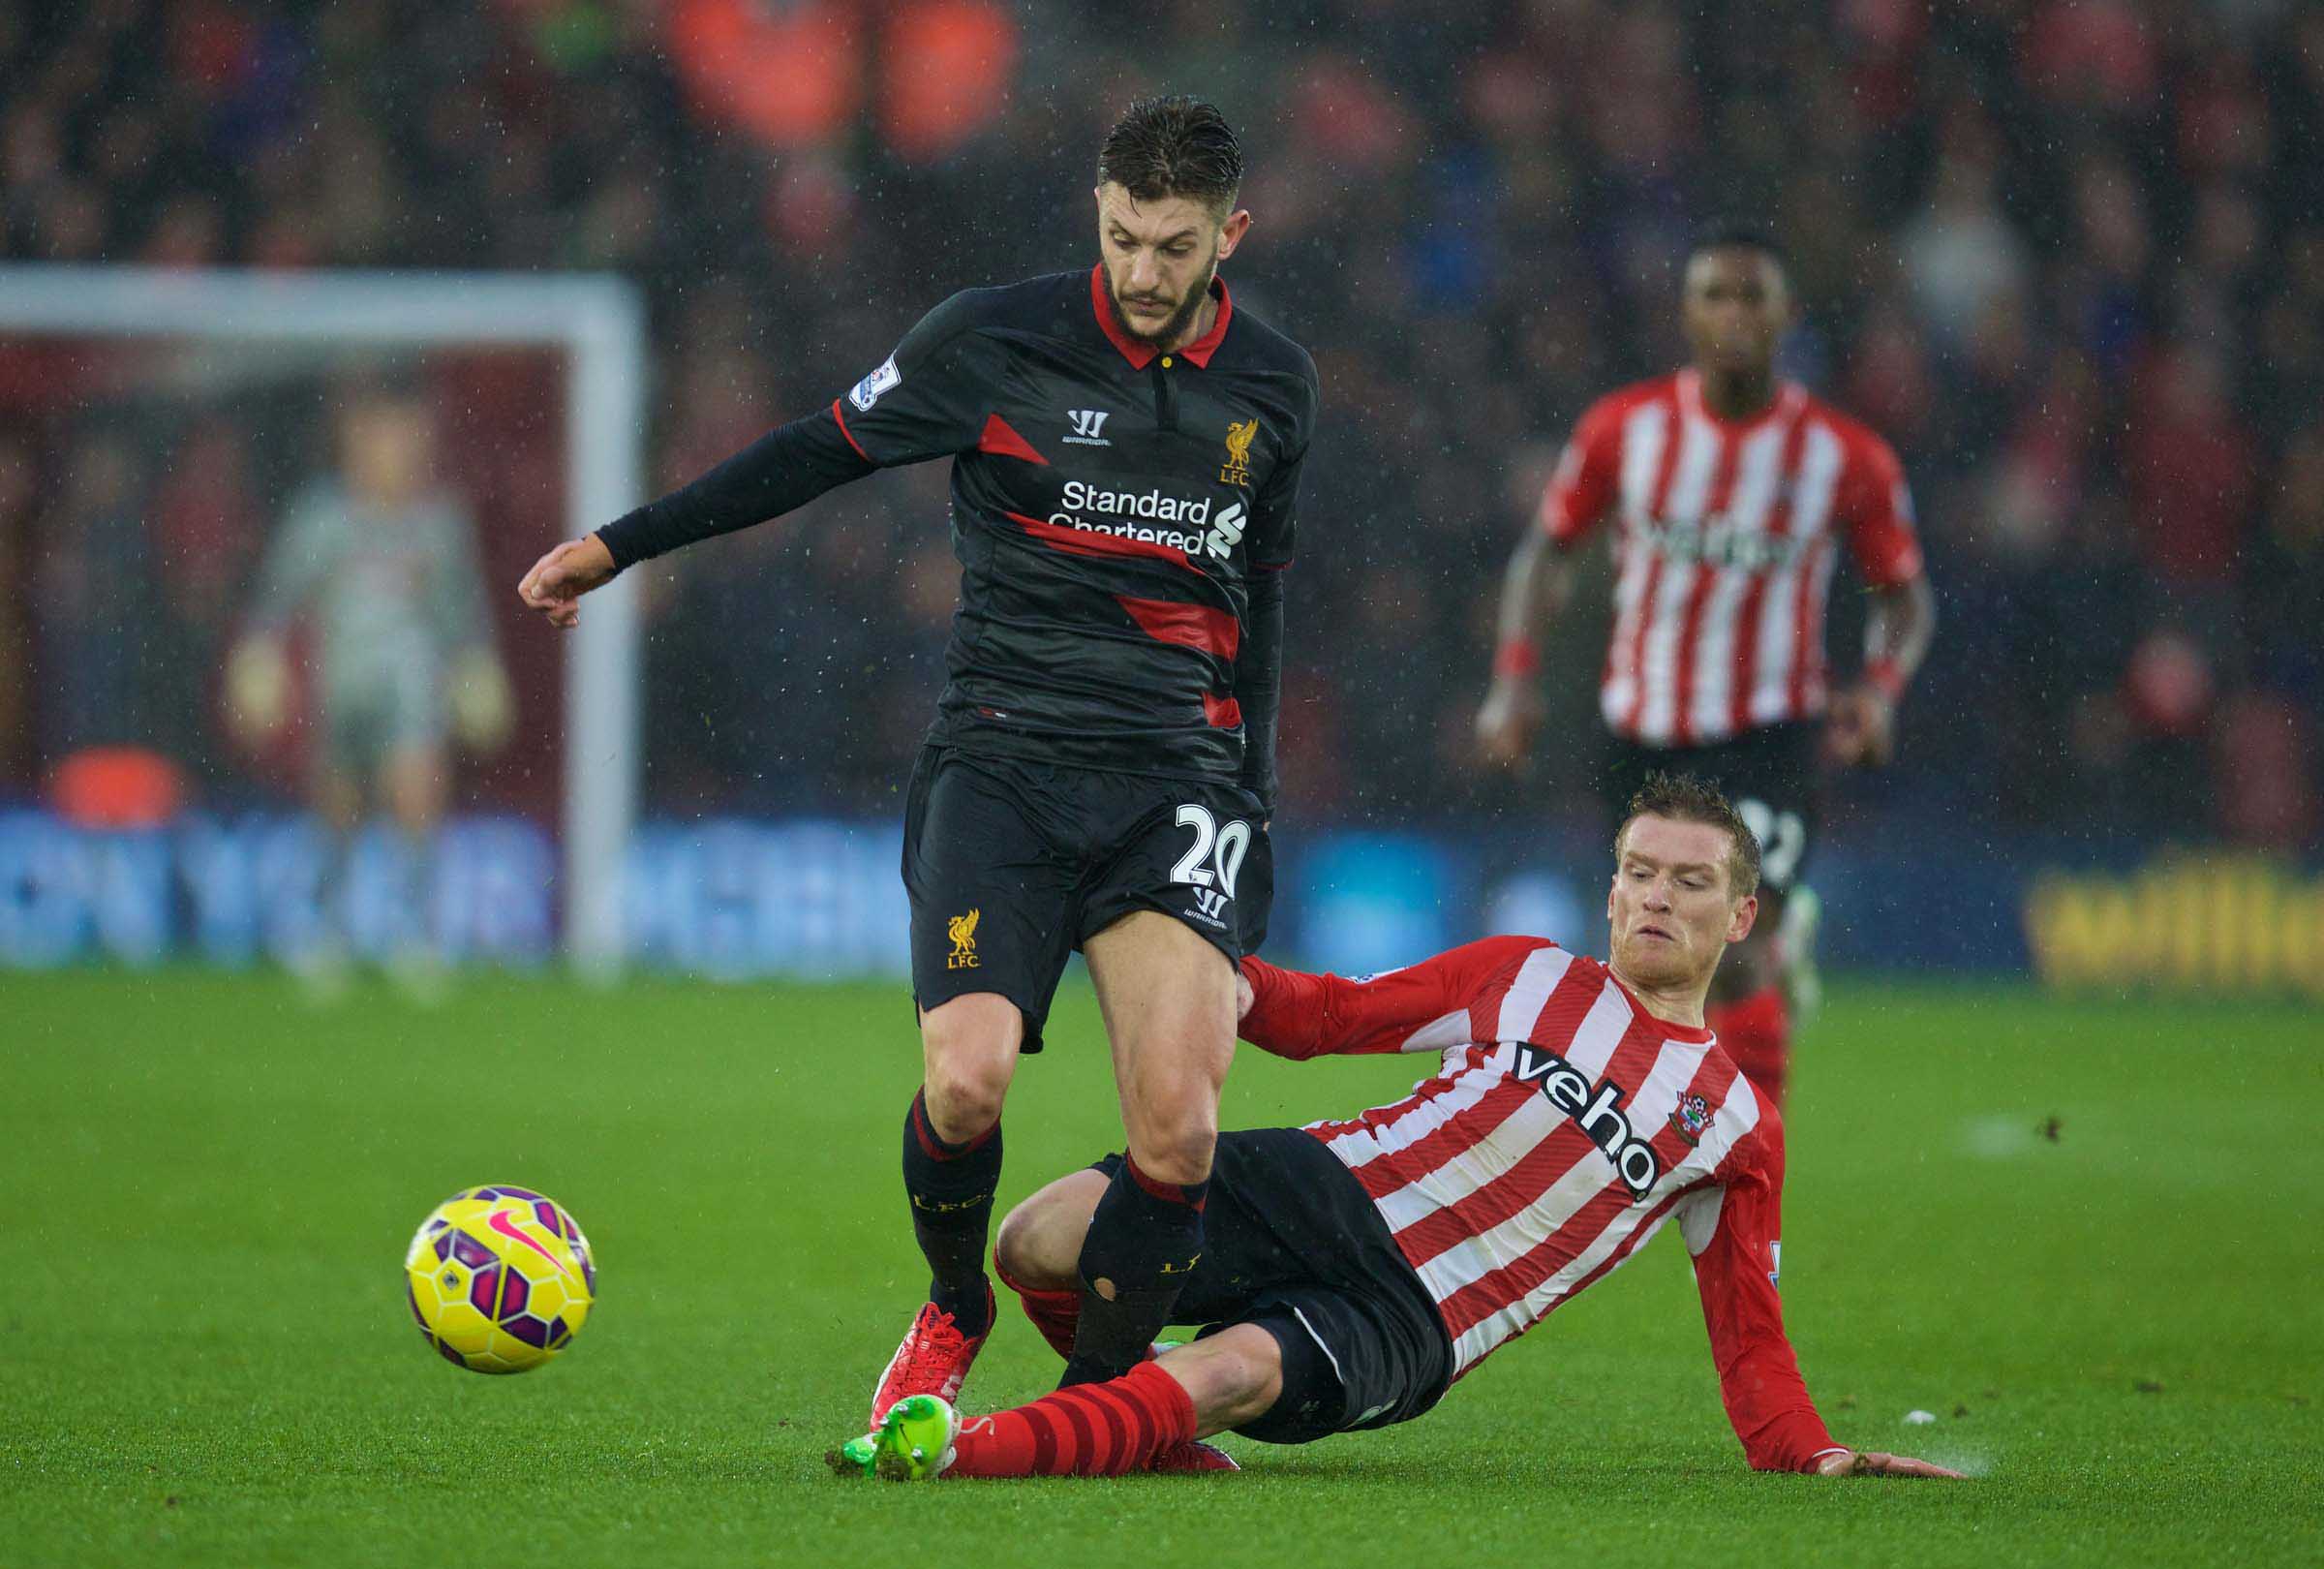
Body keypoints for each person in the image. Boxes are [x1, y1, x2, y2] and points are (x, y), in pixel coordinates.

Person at [516, 97, 1320, 1430]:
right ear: (1095, 215)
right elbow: (813, 453)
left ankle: (1098, 1414)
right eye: (1123, 237)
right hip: (1001, 764)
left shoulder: (1276, 386)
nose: (1142, 272)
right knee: (968, 1080)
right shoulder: (993, 339)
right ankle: (955, 1304)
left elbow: (1264, 595)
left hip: (1178, 784)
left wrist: (1259, 792)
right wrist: (622, 541)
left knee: (1176, 1135)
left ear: (1232, 235)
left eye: (1175, 247)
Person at [831, 774, 1961, 1484]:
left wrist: (1811, 1454)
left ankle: (966, 1449)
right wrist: (1213, 971)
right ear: (1610, 892)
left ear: (1743, 915)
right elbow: (1333, 1017)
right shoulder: (1522, 974)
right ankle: (1130, 1424)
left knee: (1226, 1371)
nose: (1659, 896)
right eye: (1639, 872)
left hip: (1415, 1313)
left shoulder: (1737, 1128)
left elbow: (1750, 1337)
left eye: (1692, 882)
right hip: (1325, 1182)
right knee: (1034, 1238)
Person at [1475, 225, 1936, 1106]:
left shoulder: (1841, 455)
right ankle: (1664, 1130)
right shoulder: (1626, 430)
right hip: (1640, 733)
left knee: (1733, 954)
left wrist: (1880, 692)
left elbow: (1906, 594)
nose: (1732, 315)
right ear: (1685, 314)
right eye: (1714, 296)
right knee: (1648, 957)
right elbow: (1546, 553)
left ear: (1785, 315)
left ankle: (1746, 1175)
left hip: (1766, 733)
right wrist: (1514, 678)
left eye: (1750, 297)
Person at [227, 378, 511, 993]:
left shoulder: (437, 525)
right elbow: (275, 602)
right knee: (337, 809)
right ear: (357, 445)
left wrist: (475, 667)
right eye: (387, 439)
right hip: (340, 687)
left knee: (415, 794)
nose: (401, 453)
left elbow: (463, 614)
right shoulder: (321, 519)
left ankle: (417, 935)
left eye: (410, 440)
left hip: (410, 690)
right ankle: (328, 929)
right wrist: (259, 657)